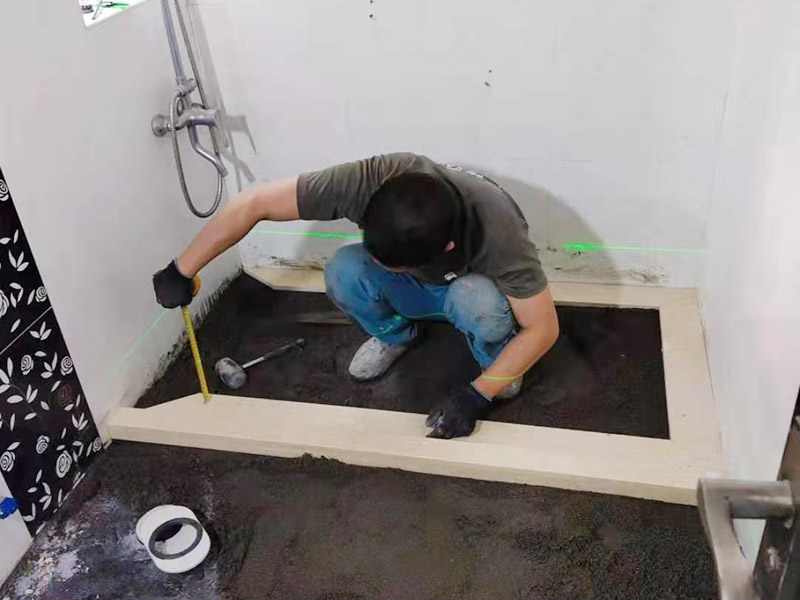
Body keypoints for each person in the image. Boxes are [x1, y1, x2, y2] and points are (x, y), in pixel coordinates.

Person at [152, 153, 559, 439]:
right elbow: (255, 203)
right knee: (344, 270)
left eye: (394, 266)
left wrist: (476, 396)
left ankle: (494, 360)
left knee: (481, 305)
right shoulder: (372, 180)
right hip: (419, 288)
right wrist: (182, 269)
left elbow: (543, 329)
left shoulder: (498, 228)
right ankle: (396, 335)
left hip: (466, 291)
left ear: (447, 247)